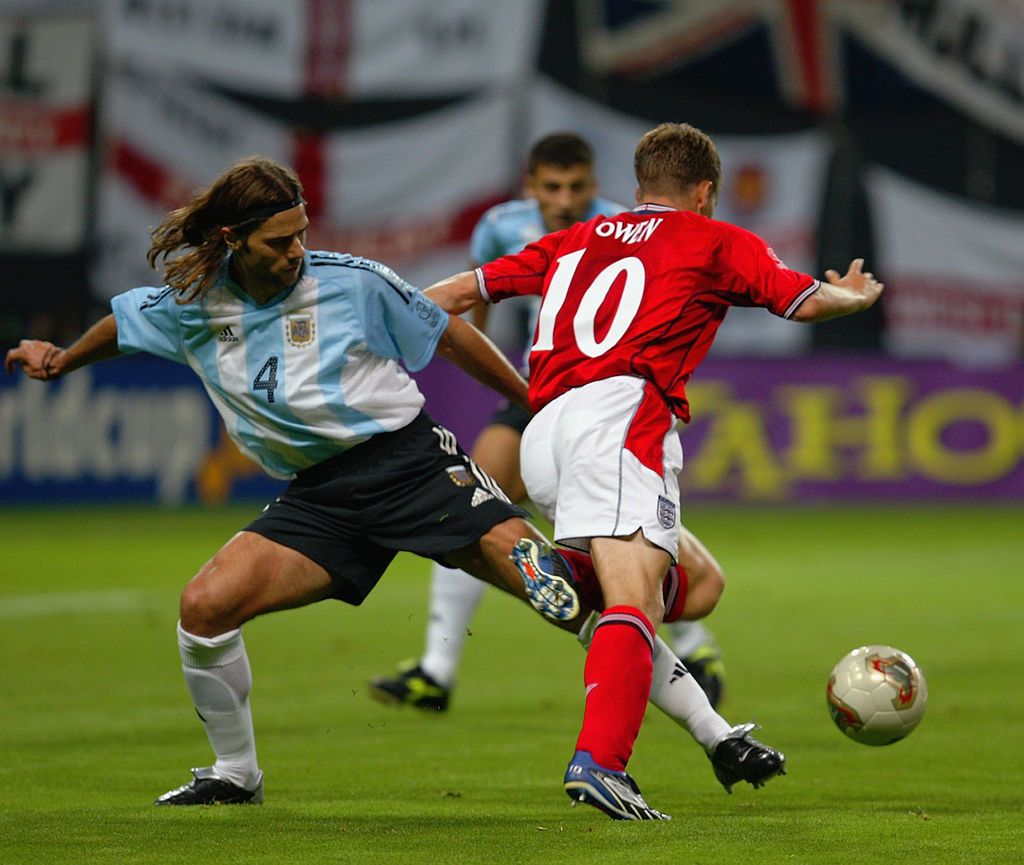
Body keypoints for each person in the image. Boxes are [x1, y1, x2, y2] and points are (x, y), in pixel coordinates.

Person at [2, 156, 588, 807]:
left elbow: (449, 333)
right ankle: (236, 772)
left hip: (410, 466)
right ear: (233, 239)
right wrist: (62, 358)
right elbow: (128, 322)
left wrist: (534, 399)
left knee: (556, 591)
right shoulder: (197, 300)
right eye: (281, 240)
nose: (298, 251)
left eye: (302, 232)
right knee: (204, 606)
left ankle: (711, 728)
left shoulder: (349, 280)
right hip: (323, 497)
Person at [425, 122, 884, 820]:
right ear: (705, 191)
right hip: (622, 416)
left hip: (543, 431)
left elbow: (454, 294)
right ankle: (601, 762)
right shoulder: (715, 238)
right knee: (636, 600)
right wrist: (852, 295)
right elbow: (803, 300)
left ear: (639, 185)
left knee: (696, 585)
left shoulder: (574, 238)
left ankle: (577, 583)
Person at [369, 132, 726, 715]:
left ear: (596, 185)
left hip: (614, 391)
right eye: (552, 187)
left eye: (577, 186)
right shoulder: (498, 228)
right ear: (530, 186)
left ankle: (691, 643)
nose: (564, 198)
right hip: (547, 384)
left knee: (625, 532)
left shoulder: (621, 225)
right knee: (475, 498)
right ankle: (436, 669)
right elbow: (475, 314)